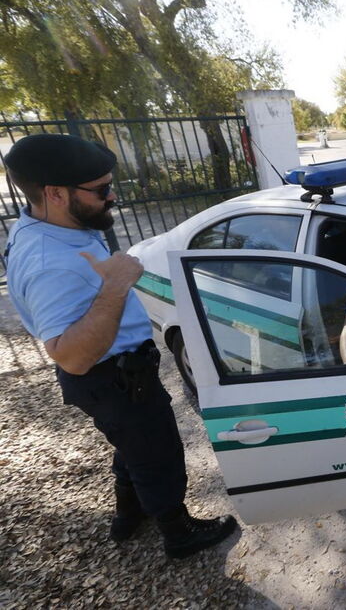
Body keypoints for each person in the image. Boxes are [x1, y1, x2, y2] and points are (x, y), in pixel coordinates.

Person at [3, 133, 237, 559]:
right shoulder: (48, 263)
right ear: (55, 193)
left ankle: (129, 516)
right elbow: (70, 356)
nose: (112, 196)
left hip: (117, 375)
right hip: (109, 376)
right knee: (158, 453)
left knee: (133, 446)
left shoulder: (51, 224)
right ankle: (178, 532)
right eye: (100, 190)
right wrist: (114, 286)